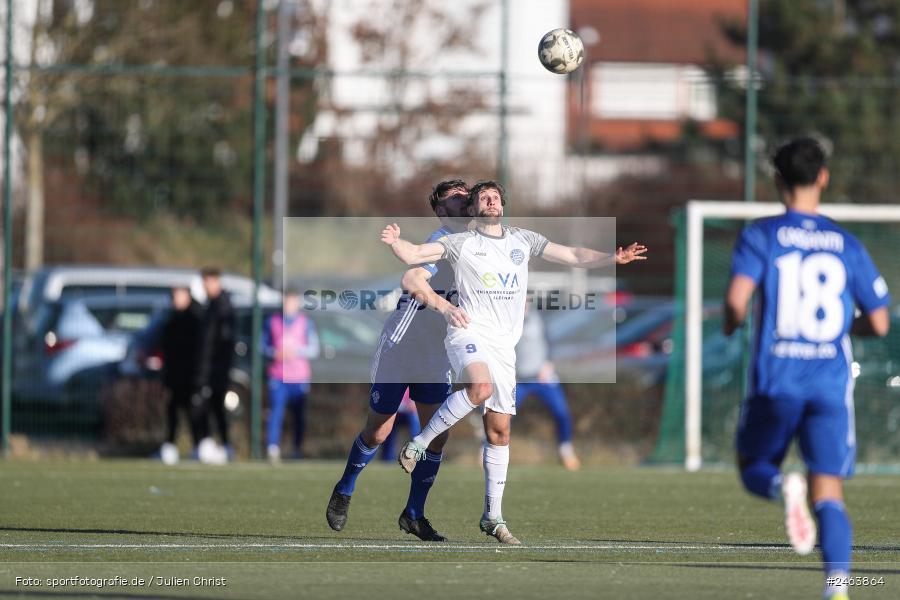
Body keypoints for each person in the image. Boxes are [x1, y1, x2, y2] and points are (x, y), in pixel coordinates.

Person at [384, 180, 647, 544]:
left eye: (495, 197)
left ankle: (492, 517)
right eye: (482, 198)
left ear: (502, 206)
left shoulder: (522, 239)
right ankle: (419, 443)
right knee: (480, 387)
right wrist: (396, 241)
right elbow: (414, 256)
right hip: (468, 331)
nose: (490, 201)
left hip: (505, 348)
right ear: (474, 209)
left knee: (499, 432)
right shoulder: (458, 242)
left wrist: (612, 258)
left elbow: (572, 255)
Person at [723, 137, 890, 600]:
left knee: (754, 464)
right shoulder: (845, 242)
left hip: (778, 379)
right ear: (823, 177)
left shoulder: (762, 234)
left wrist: (730, 323)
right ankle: (837, 589)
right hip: (829, 384)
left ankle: (781, 486)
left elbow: (736, 303)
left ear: (777, 179)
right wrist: (840, 328)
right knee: (829, 489)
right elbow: (879, 321)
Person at [326, 180, 473, 541]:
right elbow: (412, 277)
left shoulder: (481, 244)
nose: (465, 199)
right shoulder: (443, 242)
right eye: (455, 198)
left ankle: (413, 514)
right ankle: (345, 487)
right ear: (441, 212)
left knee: (437, 436)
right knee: (379, 431)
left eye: (466, 194)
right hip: (401, 348)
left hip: (436, 356)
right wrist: (443, 305)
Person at [515, 298, 580, 470]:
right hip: (518, 378)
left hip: (542, 376)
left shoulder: (539, 318)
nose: (524, 303)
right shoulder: (507, 319)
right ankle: (486, 450)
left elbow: (550, 343)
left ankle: (565, 451)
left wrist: (548, 363)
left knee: (561, 413)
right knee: (500, 415)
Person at [263, 288, 320, 463]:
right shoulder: (271, 321)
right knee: (276, 412)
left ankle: (297, 448)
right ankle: (272, 448)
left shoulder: (306, 323)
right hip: (278, 376)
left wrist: (296, 351)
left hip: (299, 377)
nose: (289, 305)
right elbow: (261, 345)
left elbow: (314, 349)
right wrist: (274, 353)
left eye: (292, 301)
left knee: (298, 415)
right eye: (286, 301)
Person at [158, 286, 204, 464]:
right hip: (175, 374)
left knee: (194, 411)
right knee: (173, 410)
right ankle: (170, 445)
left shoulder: (195, 318)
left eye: (178, 295)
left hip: (191, 375)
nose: (174, 299)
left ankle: (199, 445)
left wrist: (199, 375)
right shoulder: (172, 318)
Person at [195, 267, 236, 458]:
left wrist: (213, 369)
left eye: (207, 282)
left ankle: (224, 446)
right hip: (208, 368)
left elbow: (219, 343)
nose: (205, 286)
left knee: (214, 408)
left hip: (216, 369)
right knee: (208, 407)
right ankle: (210, 444)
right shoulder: (211, 305)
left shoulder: (223, 307)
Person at [380, 390, 421, 462]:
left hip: (410, 412)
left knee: (415, 426)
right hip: (395, 411)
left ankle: (418, 454)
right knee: (388, 430)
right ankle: (387, 458)